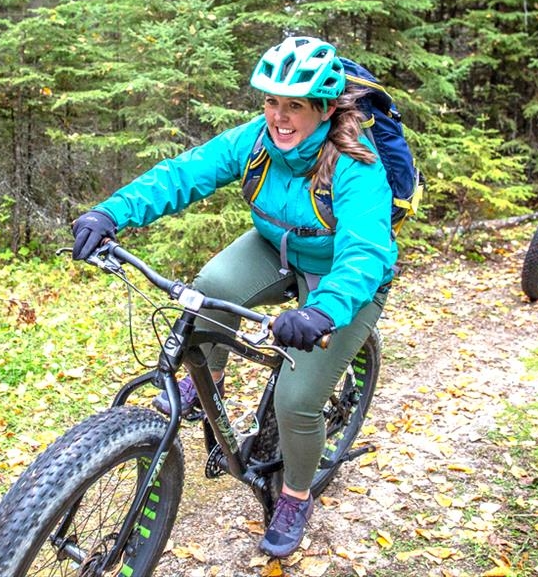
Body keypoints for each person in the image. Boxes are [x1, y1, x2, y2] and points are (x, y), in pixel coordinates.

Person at [70, 36, 397, 558]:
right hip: (275, 247)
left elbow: (364, 252)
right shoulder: (257, 142)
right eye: (271, 102)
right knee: (211, 290)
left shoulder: (357, 166)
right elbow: (185, 173)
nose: (279, 117)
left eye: (295, 106)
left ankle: (294, 495)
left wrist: (322, 310)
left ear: (326, 108)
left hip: (342, 283)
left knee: (297, 402)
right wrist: (112, 213)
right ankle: (208, 382)